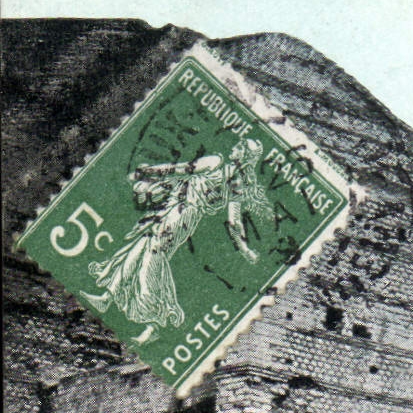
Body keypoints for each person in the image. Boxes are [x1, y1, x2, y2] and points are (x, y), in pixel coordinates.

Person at [83, 137, 272, 344]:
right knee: (141, 248)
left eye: (240, 146)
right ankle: (108, 297)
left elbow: (179, 169)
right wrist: (244, 248)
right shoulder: (236, 183)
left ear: (243, 154)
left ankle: (154, 320)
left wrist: (147, 172)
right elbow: (234, 222)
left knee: (151, 259)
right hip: (178, 212)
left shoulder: (215, 163)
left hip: (181, 213)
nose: (234, 147)